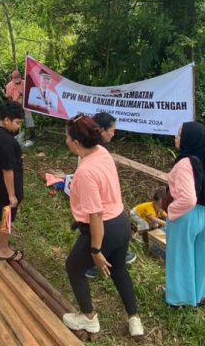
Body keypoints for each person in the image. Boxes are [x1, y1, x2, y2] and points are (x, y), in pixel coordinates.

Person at [62, 115, 143, 337]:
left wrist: (96, 250)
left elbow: (95, 215)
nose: (66, 141)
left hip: (103, 228)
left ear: (77, 143)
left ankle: (88, 318)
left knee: (73, 268)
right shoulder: (102, 152)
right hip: (121, 222)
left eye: (68, 138)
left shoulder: (85, 172)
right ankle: (134, 319)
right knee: (119, 270)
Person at [164, 121, 205, 307]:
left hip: (188, 215)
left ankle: (178, 298)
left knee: (180, 257)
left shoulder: (184, 163)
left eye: (180, 134)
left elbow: (188, 199)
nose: (177, 137)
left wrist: (171, 211)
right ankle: (199, 296)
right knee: (203, 257)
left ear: (190, 139)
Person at [85, 112, 136, 278]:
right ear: (101, 130)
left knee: (102, 230)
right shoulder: (95, 149)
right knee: (100, 230)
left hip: (105, 198)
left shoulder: (100, 147)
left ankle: (104, 258)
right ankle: (93, 264)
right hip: (100, 201)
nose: (114, 134)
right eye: (111, 130)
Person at [0, 101, 25, 261]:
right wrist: (12, 195)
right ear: (7, 120)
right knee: (7, 214)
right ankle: (4, 249)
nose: (18, 127)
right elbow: (7, 170)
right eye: (17, 122)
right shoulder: (7, 141)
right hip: (4, 184)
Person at [5, 69, 35, 145]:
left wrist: (24, 97)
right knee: (16, 123)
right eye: (15, 81)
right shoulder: (9, 86)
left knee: (29, 121)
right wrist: (14, 105)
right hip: (16, 107)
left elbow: (30, 93)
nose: (17, 82)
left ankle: (32, 136)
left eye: (18, 80)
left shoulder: (25, 83)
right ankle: (16, 138)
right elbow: (8, 97)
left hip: (25, 106)